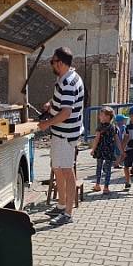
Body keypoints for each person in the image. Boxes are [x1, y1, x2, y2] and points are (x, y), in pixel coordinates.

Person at [37, 47, 84, 226]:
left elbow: (65, 112)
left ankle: (67, 213)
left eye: (53, 61)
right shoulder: (65, 78)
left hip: (66, 134)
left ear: (61, 63)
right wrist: (51, 105)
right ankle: (61, 205)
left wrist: (46, 123)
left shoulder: (68, 83)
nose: (51, 64)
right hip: (60, 132)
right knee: (57, 168)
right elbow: (63, 104)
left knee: (66, 171)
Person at [90, 107, 123, 194]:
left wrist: (93, 149)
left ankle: (97, 185)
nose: (99, 117)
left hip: (100, 150)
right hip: (109, 150)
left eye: (101, 115)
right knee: (108, 169)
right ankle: (106, 187)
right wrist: (121, 150)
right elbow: (117, 140)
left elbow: (96, 139)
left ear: (107, 117)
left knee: (99, 167)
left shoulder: (100, 127)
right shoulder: (114, 127)